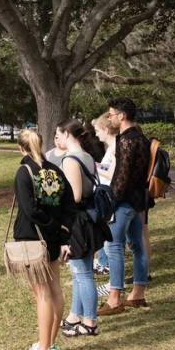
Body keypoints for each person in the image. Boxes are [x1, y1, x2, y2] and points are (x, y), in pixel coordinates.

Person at [12, 129, 74, 350]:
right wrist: (61, 231)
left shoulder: (24, 172)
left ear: (21, 148)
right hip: (54, 238)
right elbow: (69, 205)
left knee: (42, 294)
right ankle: (48, 342)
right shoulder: (55, 171)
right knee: (55, 289)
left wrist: (49, 226)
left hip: (32, 238)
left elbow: (29, 210)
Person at [98, 98, 151, 316]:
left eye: (111, 114)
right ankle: (138, 293)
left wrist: (112, 200)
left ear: (122, 116)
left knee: (114, 246)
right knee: (138, 246)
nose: (110, 118)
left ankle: (115, 298)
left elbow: (122, 176)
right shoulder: (141, 136)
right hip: (138, 200)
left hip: (125, 201)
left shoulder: (126, 140)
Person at [54, 119, 106, 337]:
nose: (57, 139)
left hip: (78, 221)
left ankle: (90, 321)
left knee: (83, 274)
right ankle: (76, 315)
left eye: (58, 134)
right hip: (88, 219)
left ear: (67, 134)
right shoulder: (87, 155)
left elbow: (74, 196)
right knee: (78, 272)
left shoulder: (71, 159)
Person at [91, 114, 118, 277]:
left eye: (97, 130)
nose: (96, 134)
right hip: (106, 198)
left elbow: (113, 173)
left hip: (109, 199)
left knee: (112, 245)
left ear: (106, 129)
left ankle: (114, 282)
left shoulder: (115, 147)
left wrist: (95, 167)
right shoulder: (111, 147)